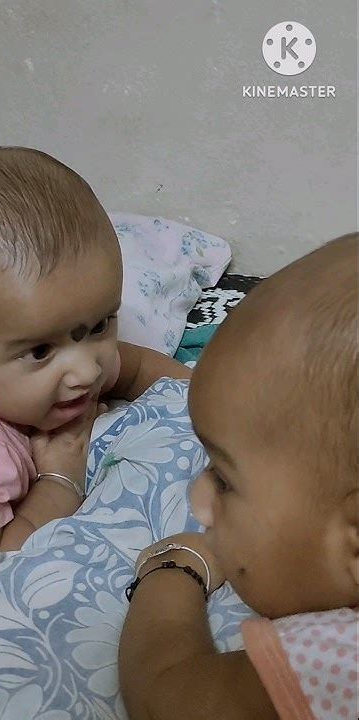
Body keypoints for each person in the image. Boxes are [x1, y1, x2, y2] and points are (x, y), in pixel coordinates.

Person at [119, 233, 358, 720]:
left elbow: (167, 696)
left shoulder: (339, 662)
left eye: (224, 480)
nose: (199, 499)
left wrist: (173, 571)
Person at [0, 146, 190, 554]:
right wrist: (61, 479)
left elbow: (138, 369)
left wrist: (213, 398)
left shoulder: (76, 354)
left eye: (100, 325)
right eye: (40, 352)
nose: (87, 372)